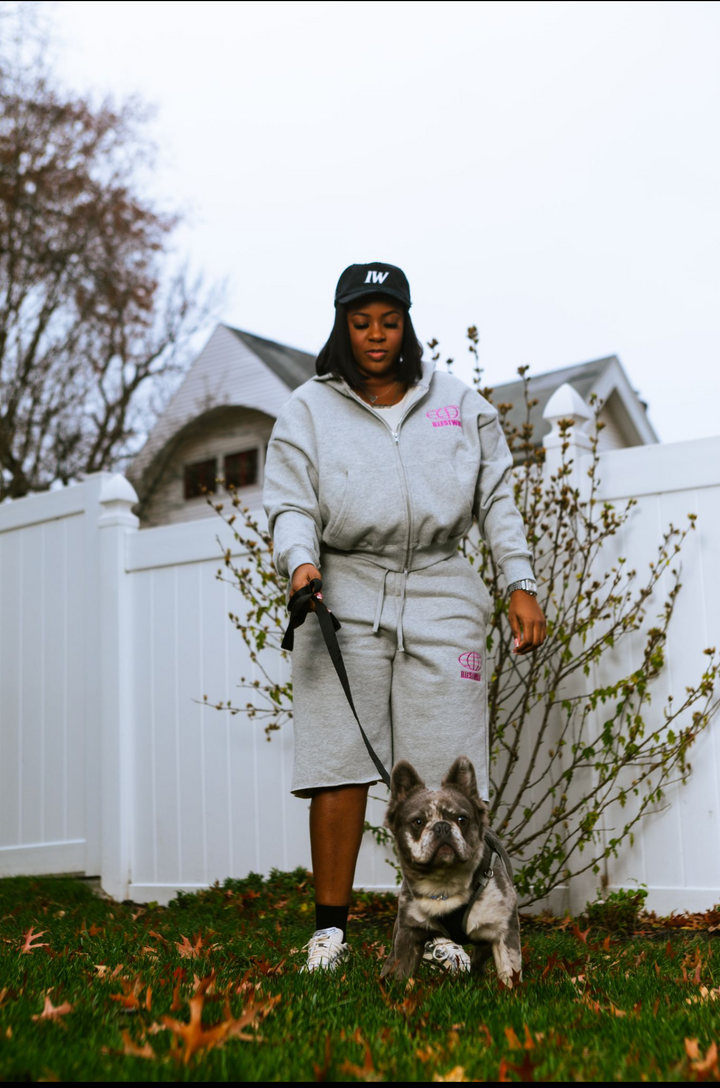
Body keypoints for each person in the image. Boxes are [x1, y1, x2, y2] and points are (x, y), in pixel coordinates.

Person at [262, 261, 546, 972]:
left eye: (389, 322)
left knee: (447, 776)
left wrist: (519, 582)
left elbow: (497, 499)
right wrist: (300, 564)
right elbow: (290, 502)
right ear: (342, 326)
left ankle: (443, 931)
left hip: (443, 588)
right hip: (344, 587)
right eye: (361, 322)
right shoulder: (308, 409)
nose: (376, 335)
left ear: (406, 325)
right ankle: (330, 933)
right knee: (337, 763)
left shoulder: (458, 403)